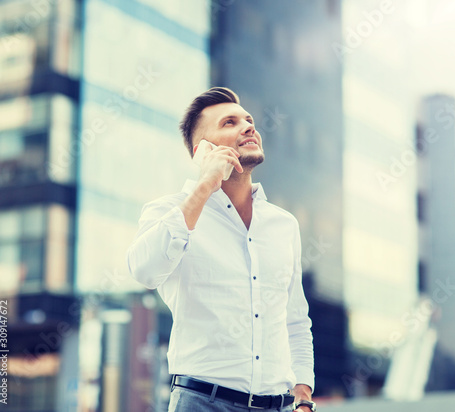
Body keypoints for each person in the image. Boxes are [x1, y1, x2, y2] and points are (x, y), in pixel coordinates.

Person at [126, 87, 316, 412]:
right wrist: (205, 184)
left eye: (249, 120)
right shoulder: (168, 212)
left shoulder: (283, 225)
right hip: (201, 402)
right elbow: (144, 271)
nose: (248, 127)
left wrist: (303, 399)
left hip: (279, 406)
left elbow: (295, 320)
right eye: (229, 122)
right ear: (203, 150)